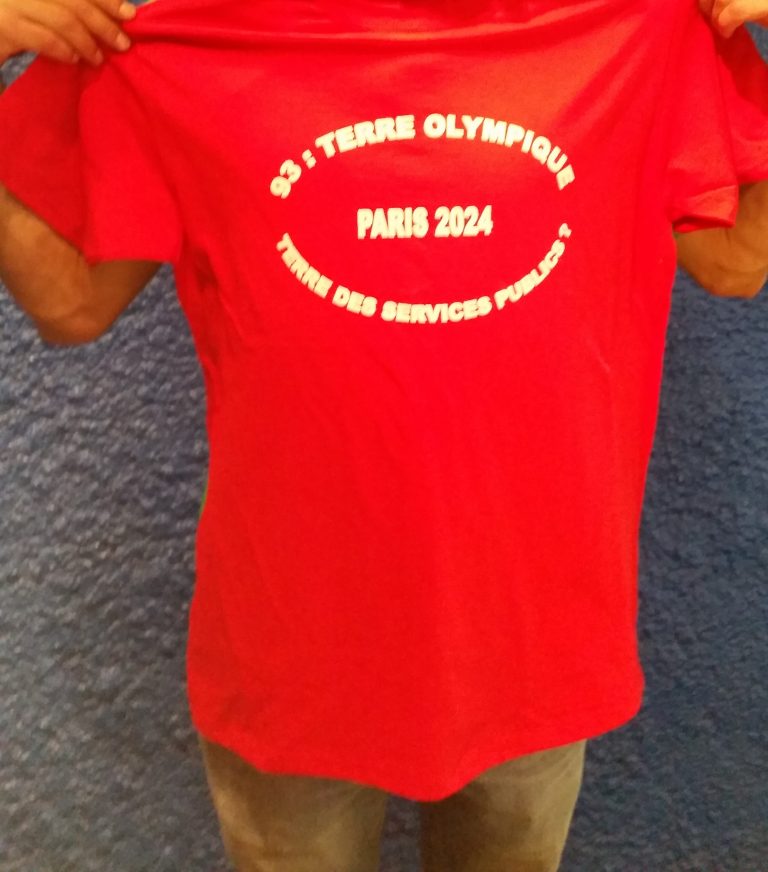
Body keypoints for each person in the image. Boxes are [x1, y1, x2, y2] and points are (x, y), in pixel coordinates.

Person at [1, 2, 767, 870]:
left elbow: (737, 260)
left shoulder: (631, 31)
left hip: (533, 639)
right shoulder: (199, 39)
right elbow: (68, 301)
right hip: (294, 651)